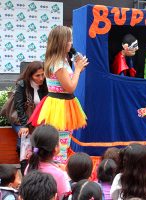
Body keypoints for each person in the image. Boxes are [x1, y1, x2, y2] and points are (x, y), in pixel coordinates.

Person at [28, 26, 89, 164]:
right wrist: (78, 69)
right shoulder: (59, 63)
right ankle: (57, 171)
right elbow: (70, 87)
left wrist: (77, 68)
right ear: (61, 42)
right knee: (60, 144)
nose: (71, 43)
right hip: (60, 106)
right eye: (69, 40)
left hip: (60, 104)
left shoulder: (59, 60)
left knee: (62, 141)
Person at [12, 61, 48, 173]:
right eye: (37, 75)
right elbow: (19, 107)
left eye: (43, 74)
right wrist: (25, 125)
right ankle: (24, 170)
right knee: (25, 136)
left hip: (37, 120)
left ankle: (37, 166)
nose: (41, 78)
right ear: (30, 75)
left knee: (40, 139)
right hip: (21, 119)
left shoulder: (46, 84)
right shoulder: (22, 84)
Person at [25, 125, 71, 199]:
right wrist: (66, 174)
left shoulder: (30, 167)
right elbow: (64, 196)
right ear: (56, 148)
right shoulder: (59, 174)